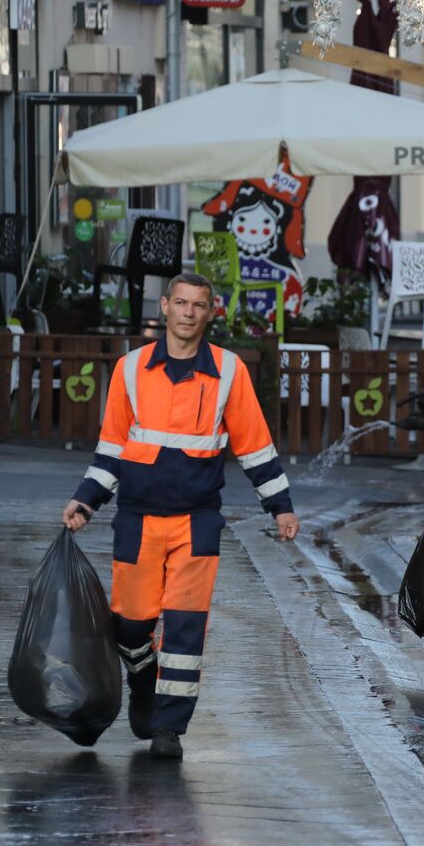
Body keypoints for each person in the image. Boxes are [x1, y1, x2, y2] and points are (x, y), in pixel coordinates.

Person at [61, 273, 299, 761]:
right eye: (181, 303)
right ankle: (143, 679)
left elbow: (255, 446)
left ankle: (169, 728)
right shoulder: (131, 370)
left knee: (186, 631)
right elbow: (112, 449)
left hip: (196, 521)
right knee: (129, 625)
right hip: (137, 520)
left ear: (211, 313)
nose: (189, 313)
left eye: (200, 305)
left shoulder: (229, 373)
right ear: (164, 307)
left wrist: (281, 507)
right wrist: (86, 500)